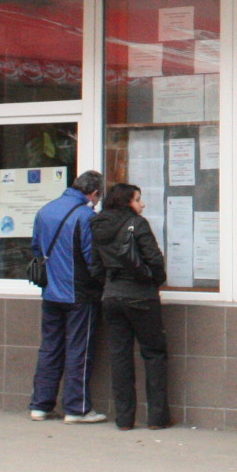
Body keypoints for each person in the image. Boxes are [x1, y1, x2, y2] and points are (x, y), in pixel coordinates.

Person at [90, 182, 171, 431]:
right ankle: (157, 418)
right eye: (137, 199)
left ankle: (124, 420)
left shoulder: (98, 225)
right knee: (154, 354)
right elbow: (154, 259)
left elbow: (94, 265)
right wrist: (155, 281)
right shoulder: (138, 224)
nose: (142, 204)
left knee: (120, 357)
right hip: (141, 297)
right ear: (126, 202)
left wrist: (110, 285)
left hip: (112, 297)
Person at [29, 170, 105, 424]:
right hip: (78, 294)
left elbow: (36, 248)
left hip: (50, 292)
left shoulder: (45, 210)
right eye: (98, 197)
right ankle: (76, 408)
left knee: (50, 348)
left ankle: (40, 405)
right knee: (78, 350)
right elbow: (92, 258)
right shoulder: (85, 216)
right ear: (94, 193)